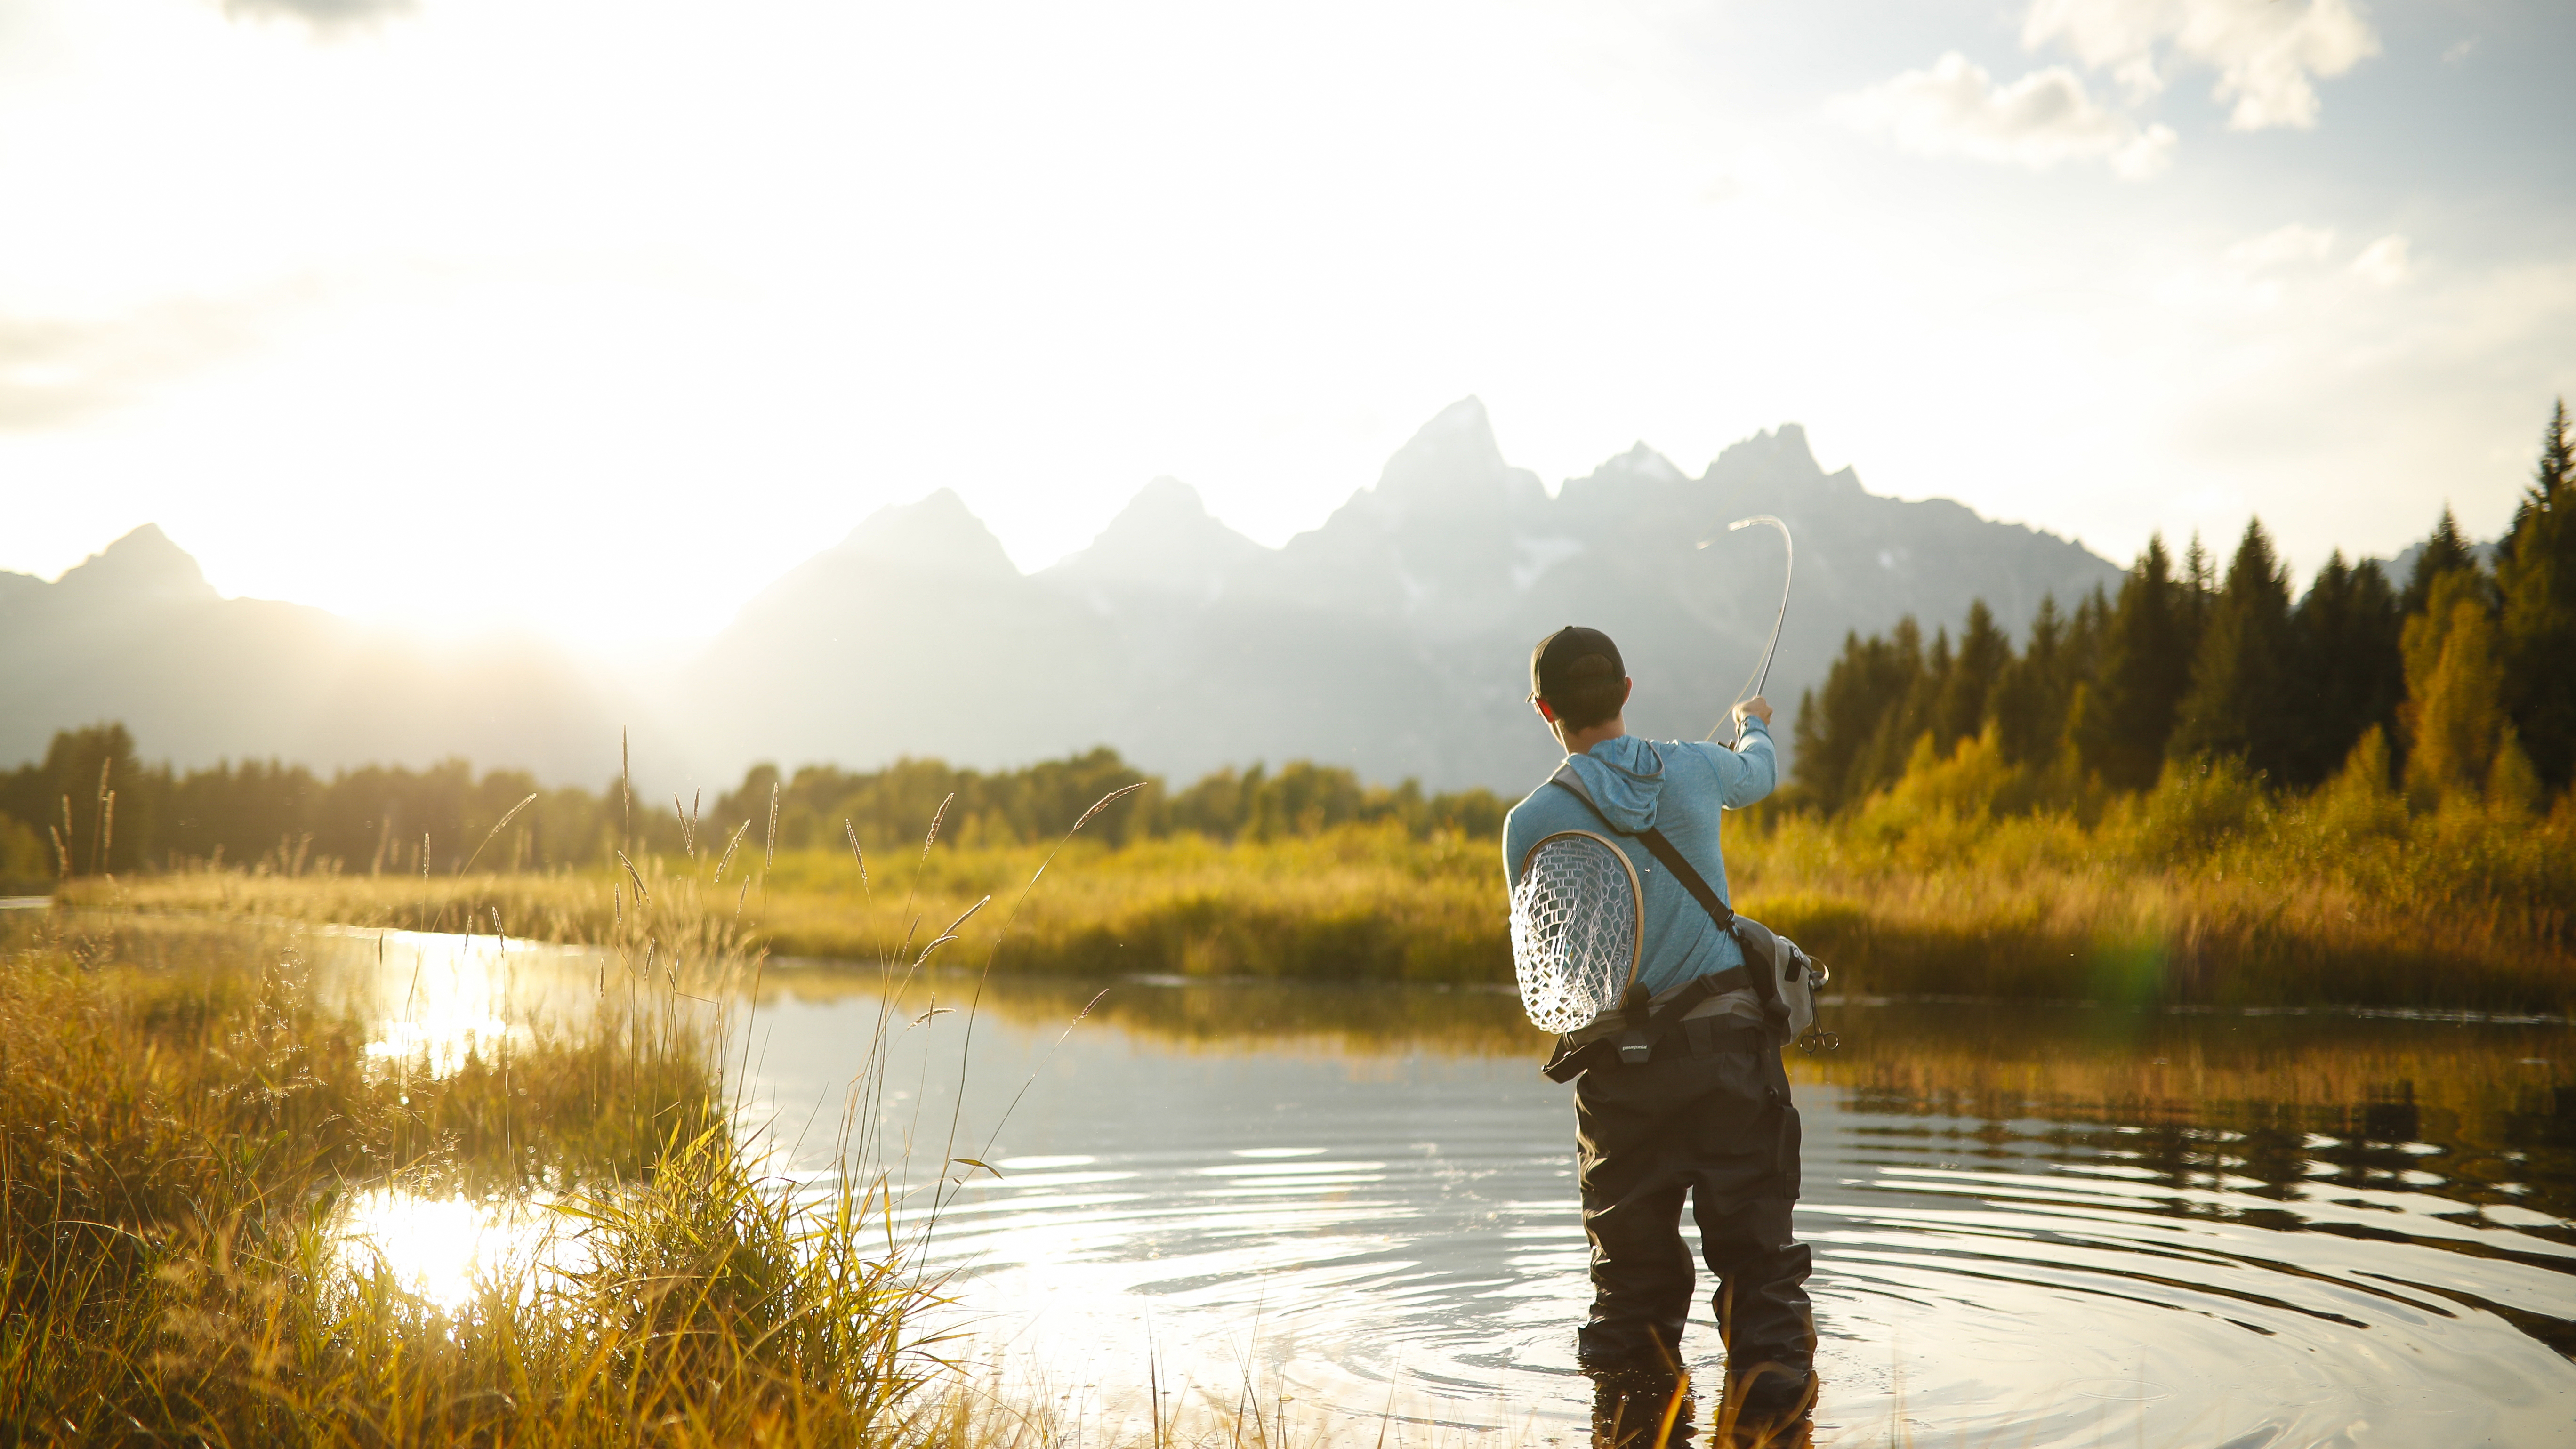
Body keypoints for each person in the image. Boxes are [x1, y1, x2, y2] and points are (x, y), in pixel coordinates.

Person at [1502, 626, 1816, 1449]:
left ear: (1545, 710)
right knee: (1759, 1271)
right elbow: (1761, 772)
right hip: (1731, 1060)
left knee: (1630, 1298)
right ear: (1627, 691)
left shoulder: (1529, 821)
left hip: (1622, 1077)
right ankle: (1776, 1430)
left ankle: (1632, 1429)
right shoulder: (1697, 766)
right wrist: (1750, 722)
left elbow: (1556, 954)